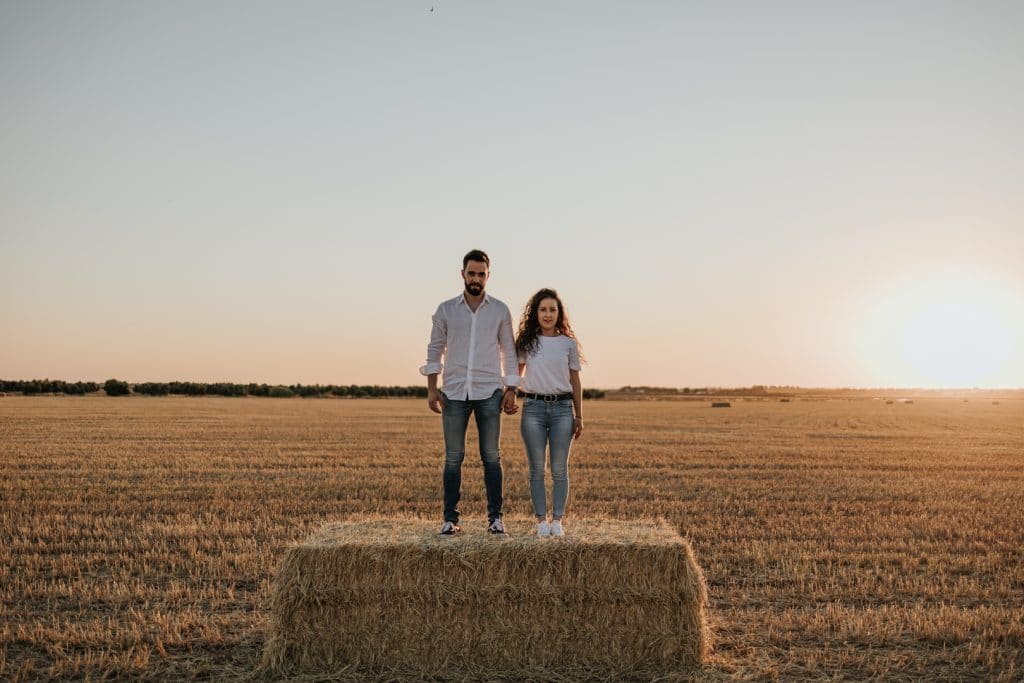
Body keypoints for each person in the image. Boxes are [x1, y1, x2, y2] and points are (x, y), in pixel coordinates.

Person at [421, 249, 520, 535]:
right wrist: (431, 388)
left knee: (491, 456)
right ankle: (450, 520)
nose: (476, 278)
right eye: (471, 273)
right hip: (453, 392)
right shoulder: (445, 310)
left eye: (481, 274)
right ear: (462, 273)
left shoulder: (500, 310)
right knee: (453, 458)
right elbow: (434, 349)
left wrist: (511, 388)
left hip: (490, 392)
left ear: (488, 276)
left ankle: (495, 519)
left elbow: (509, 353)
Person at [511, 288, 583, 538]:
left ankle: (558, 520)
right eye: (543, 309)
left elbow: (575, 381)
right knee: (536, 469)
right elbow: (515, 373)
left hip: (563, 409)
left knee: (560, 468)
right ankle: (541, 520)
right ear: (535, 313)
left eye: (553, 309)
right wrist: (510, 394)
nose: (548, 314)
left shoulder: (568, 344)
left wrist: (579, 415)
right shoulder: (526, 343)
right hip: (533, 409)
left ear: (559, 313)